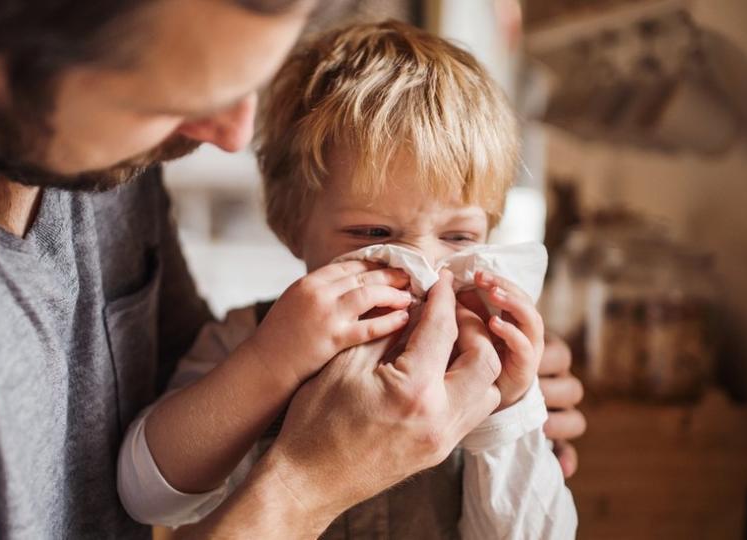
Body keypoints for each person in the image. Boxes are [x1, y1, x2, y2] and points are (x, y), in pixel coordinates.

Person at [0, 0, 585, 538]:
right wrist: (310, 476)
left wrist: (513, 413)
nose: (229, 136)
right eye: (170, 99)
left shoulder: (101, 154)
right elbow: (152, 481)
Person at [118, 20, 577, 539]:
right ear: (293, 226)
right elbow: (145, 495)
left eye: (459, 238)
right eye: (373, 233)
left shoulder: (482, 366)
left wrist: (507, 414)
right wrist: (271, 360)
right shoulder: (249, 338)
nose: (421, 270)